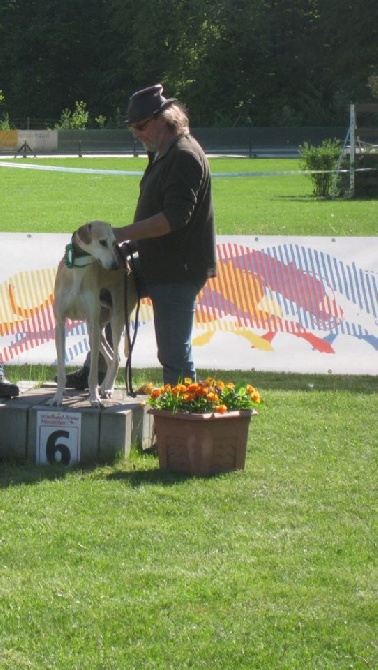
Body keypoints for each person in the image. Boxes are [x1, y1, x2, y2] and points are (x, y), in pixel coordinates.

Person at [65, 83, 216, 389]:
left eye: (141, 126)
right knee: (104, 306)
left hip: (177, 270)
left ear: (166, 119)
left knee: (174, 353)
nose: (136, 133)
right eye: (133, 127)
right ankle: (93, 372)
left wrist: (120, 235)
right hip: (153, 263)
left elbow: (174, 218)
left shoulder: (184, 155)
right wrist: (132, 245)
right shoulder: (163, 152)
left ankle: (182, 421)